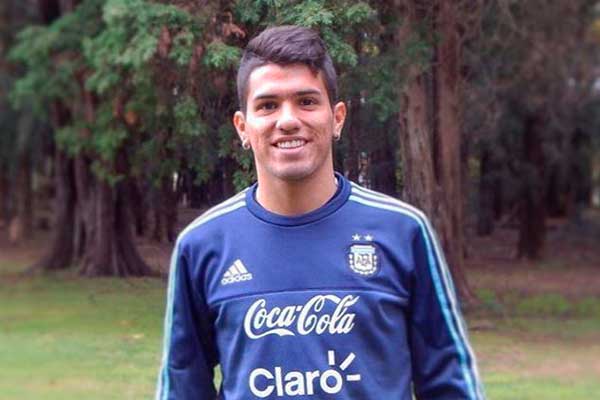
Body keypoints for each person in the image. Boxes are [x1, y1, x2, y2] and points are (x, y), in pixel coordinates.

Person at [155, 25, 485, 400]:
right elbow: (182, 387)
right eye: (267, 105)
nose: (288, 120)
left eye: (307, 101)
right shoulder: (202, 245)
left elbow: (449, 382)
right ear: (242, 127)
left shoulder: (402, 232)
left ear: (338, 117)